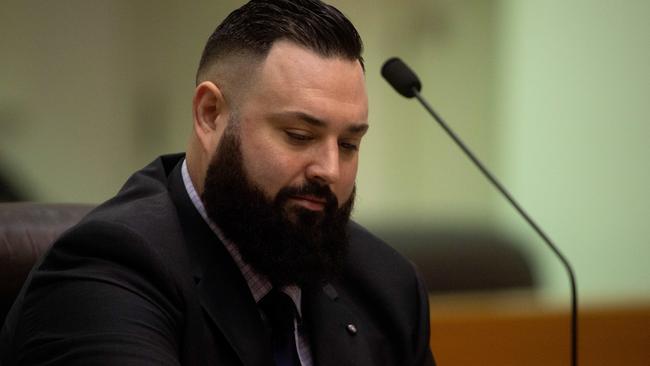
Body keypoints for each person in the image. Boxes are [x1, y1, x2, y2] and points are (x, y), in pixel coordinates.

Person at [1, 1, 435, 365]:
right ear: (210, 114)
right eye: (299, 136)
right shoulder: (107, 272)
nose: (329, 170)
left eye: (348, 144)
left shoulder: (387, 285)